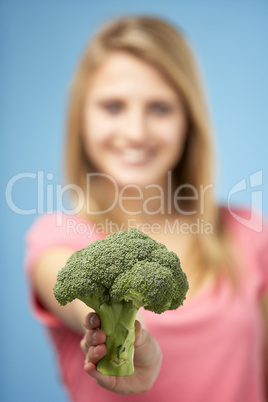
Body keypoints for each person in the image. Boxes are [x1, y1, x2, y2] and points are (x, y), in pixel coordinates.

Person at [24, 15, 268, 402]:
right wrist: (107, 337)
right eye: (113, 106)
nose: (136, 132)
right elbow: (64, 287)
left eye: (160, 108)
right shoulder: (58, 235)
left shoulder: (250, 232)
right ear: (81, 120)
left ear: (189, 120)